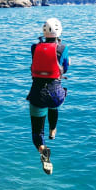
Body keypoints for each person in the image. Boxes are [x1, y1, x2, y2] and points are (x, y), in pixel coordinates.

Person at [26, 18, 70, 175]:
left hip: (37, 94)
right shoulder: (63, 48)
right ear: (60, 32)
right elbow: (65, 68)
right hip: (55, 94)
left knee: (37, 134)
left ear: (43, 31)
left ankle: (44, 154)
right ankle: (53, 129)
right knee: (54, 103)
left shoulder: (34, 48)